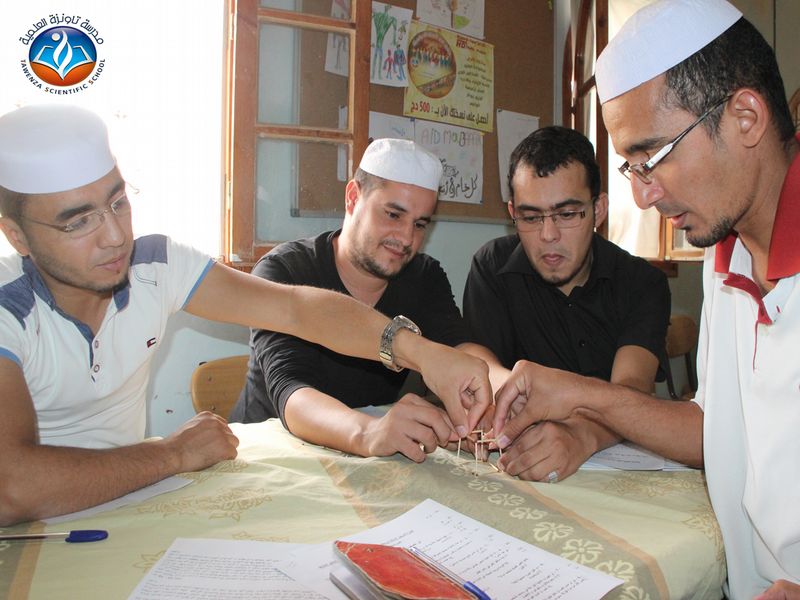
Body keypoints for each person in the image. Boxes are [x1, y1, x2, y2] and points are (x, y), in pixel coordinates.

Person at [0, 106, 492, 526]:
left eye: (118, 202)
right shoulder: (8, 308)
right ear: (16, 236)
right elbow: (12, 487)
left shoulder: (156, 266)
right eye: (78, 221)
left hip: (128, 506)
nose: (114, 236)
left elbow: (297, 308)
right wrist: (172, 454)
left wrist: (422, 353)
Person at [491, 1, 800, 597]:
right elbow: (714, 430)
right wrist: (580, 394)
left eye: (652, 158)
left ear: (745, 117)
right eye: (630, 168)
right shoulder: (728, 252)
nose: (643, 196)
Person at [231, 138, 501, 461]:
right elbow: (292, 393)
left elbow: (459, 349)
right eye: (393, 215)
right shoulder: (284, 271)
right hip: (269, 456)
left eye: (419, 224)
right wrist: (369, 432)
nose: (406, 238)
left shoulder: (424, 277)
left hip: (366, 460)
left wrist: (500, 392)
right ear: (352, 197)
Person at [463, 126, 670, 483]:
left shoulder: (643, 282)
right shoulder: (491, 266)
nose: (548, 235)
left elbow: (632, 389)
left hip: (611, 471)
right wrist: (511, 396)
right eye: (530, 217)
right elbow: (480, 362)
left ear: (598, 209)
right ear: (513, 213)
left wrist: (584, 435)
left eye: (568, 214)